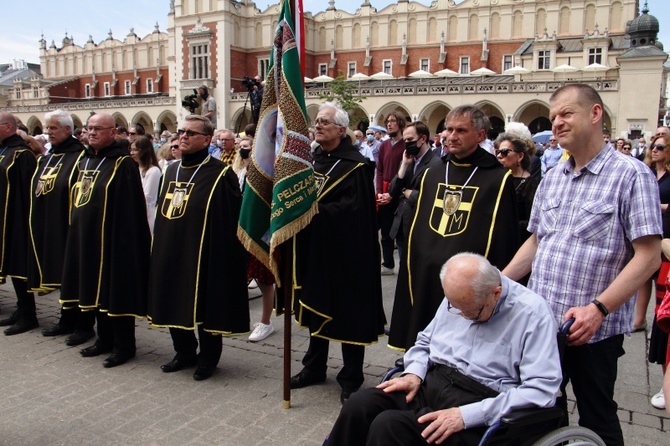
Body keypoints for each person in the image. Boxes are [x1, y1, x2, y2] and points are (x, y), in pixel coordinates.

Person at [502, 84, 662, 446]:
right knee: (539, 412)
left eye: (566, 113)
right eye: (554, 115)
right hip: (543, 323)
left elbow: (649, 256)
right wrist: (498, 282)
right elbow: (537, 241)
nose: (557, 122)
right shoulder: (553, 177)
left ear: (595, 114)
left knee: (597, 416)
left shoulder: (631, 175)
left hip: (593, 331)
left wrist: (598, 309)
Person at [326, 253, 562, 446]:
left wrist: (467, 416)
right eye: (455, 308)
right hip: (434, 382)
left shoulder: (532, 314)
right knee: (359, 405)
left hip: (481, 401)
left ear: (496, 294)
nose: (462, 316)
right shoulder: (460, 296)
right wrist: (414, 373)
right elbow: (425, 342)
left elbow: (540, 391)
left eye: (471, 312)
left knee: (389, 427)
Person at [388, 105, 519, 352]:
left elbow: (503, 239)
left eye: (461, 130)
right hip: (428, 275)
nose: (451, 135)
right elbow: (419, 226)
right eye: (448, 129)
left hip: (468, 280)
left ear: (480, 136)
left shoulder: (498, 179)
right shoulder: (432, 172)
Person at [291, 102, 385, 404]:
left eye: (325, 122)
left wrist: (310, 212)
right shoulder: (313, 160)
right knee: (316, 305)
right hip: (315, 251)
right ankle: (314, 367)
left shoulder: (355, 166)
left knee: (348, 314)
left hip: (347, 256)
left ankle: (351, 377)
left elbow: (353, 213)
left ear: (341, 130)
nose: (317, 126)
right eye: (316, 121)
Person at [147, 115, 249, 381]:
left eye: (190, 133)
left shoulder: (220, 173)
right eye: (181, 132)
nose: (183, 136)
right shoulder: (171, 170)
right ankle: (184, 352)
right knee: (172, 299)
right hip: (171, 249)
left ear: (206, 140)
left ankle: (208, 357)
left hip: (205, 252)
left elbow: (230, 218)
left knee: (206, 304)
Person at [60, 113, 151, 368]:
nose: (91, 133)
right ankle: (104, 340)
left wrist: (123, 242)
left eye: (98, 129)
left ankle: (124, 346)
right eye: (89, 128)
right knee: (95, 290)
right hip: (87, 239)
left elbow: (130, 209)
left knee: (116, 292)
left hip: (113, 241)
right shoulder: (87, 160)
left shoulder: (122, 164)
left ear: (113, 132)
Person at [28, 110, 95, 344]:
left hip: (71, 226)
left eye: (53, 128)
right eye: (47, 128)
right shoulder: (48, 157)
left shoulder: (80, 157)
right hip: (49, 223)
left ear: (68, 130)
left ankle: (84, 325)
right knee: (61, 275)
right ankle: (66, 319)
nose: (48, 132)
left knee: (76, 275)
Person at [0, 112, 38, 335]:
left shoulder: (22, 154)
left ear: (8, 127)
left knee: (19, 265)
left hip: (16, 218)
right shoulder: (4, 150)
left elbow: (27, 191)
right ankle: (20, 309)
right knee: (10, 265)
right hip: (3, 218)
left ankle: (29, 314)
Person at [388, 121, 442, 243]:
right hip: (402, 224)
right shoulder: (407, 161)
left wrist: (406, 192)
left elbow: (429, 198)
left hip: (421, 227)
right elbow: (392, 191)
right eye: (405, 140)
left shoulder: (436, 164)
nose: (407, 143)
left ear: (423, 138)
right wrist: (404, 166)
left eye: (410, 139)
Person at [494, 128, 538, 243]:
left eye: (504, 152)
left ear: (520, 156)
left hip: (516, 242)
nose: (499, 156)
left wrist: (505, 223)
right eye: (497, 152)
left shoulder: (530, 185)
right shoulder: (497, 179)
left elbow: (532, 223)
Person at [376, 112, 406, 275]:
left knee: (400, 232)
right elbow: (379, 170)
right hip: (384, 193)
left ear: (400, 123)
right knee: (386, 232)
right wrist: (380, 192)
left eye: (393, 121)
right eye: (388, 121)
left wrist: (393, 193)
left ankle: (403, 265)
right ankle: (388, 264)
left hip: (400, 194)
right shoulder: (383, 145)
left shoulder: (406, 146)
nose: (389, 124)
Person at [130, 135, 162, 234]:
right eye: (131, 150)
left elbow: (147, 198)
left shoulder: (153, 171)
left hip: (146, 216)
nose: (132, 153)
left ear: (144, 151)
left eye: (135, 150)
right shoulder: (135, 168)